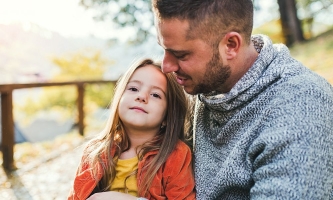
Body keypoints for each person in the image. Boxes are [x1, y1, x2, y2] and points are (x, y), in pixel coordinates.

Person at [152, 0, 333, 199]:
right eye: (164, 49)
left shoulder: (300, 109)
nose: (166, 66)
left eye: (181, 54)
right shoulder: (203, 87)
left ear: (231, 45)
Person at [68, 58, 196, 200]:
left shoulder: (176, 155)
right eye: (133, 89)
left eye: (156, 95)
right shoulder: (95, 152)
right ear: (119, 98)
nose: (141, 96)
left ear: (168, 114)